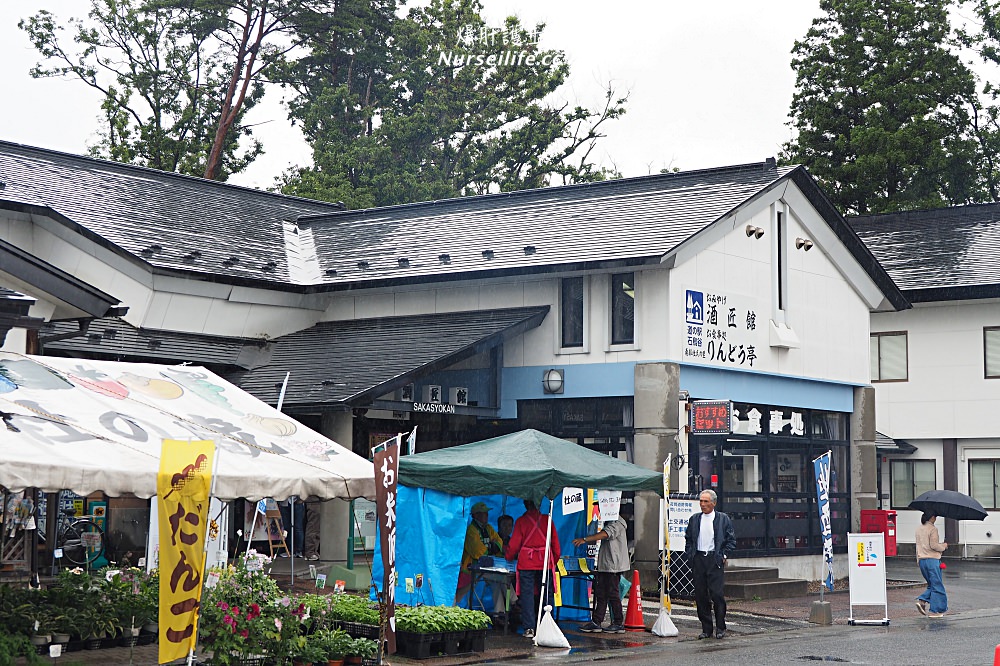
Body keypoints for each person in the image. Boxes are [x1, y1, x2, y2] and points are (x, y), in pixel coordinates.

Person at [505, 499, 561, 639]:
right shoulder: (547, 520)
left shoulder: (521, 522)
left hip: (527, 563)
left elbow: (514, 545)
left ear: (525, 504)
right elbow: (556, 545)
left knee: (527, 596)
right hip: (545, 562)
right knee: (547, 595)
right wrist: (553, 559)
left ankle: (529, 628)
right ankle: (546, 626)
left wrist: (509, 557)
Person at [684, 489, 736, 639]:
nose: (702, 504)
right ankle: (706, 629)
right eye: (701, 501)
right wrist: (690, 555)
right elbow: (688, 538)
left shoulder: (722, 519)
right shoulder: (694, 519)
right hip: (699, 559)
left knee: (717, 595)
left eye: (706, 501)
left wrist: (723, 555)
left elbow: (731, 540)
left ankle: (721, 627)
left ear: (714, 503)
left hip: (714, 559)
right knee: (700, 595)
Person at [573, 502, 632, 634]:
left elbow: (605, 534)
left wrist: (585, 539)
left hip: (613, 566)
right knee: (601, 593)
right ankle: (597, 621)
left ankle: (618, 622)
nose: (599, 509)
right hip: (606, 565)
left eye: (600, 507)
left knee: (612, 593)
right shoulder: (611, 521)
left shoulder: (617, 523)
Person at [454, 502, 507, 618]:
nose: (487, 516)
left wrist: (493, 547)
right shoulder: (471, 531)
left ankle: (500, 614)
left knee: (501, 582)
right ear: (476, 515)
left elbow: (499, 542)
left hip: (487, 569)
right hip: (471, 571)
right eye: (484, 513)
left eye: (487, 513)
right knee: (502, 580)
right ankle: (513, 602)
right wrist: (492, 548)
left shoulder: (488, 528)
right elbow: (479, 552)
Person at [915, 511, 948, 617]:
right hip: (932, 560)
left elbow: (918, 546)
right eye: (936, 517)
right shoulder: (933, 529)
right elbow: (934, 545)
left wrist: (918, 560)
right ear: (932, 517)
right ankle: (935, 611)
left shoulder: (919, 529)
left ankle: (922, 601)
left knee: (932, 584)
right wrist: (943, 546)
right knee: (937, 585)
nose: (936, 519)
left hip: (922, 560)